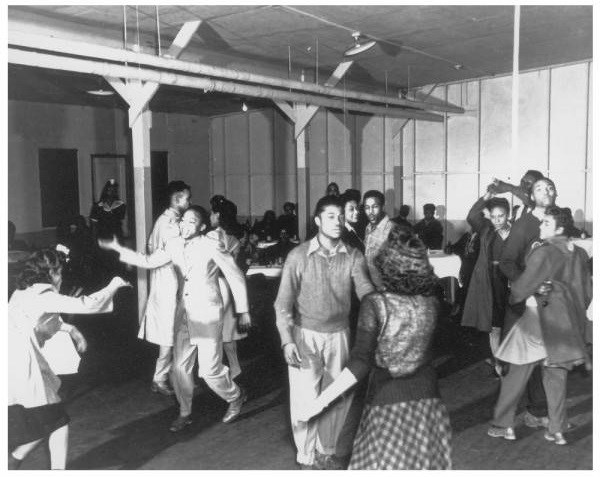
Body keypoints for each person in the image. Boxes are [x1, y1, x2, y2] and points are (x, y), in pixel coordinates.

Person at [297, 227, 452, 469]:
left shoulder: (376, 304)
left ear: (387, 267)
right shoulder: (432, 303)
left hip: (388, 401)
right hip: (429, 402)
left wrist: (319, 403)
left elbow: (360, 363)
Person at [100, 206, 251, 431]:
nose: (184, 225)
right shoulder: (173, 244)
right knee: (179, 368)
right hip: (183, 312)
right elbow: (149, 261)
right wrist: (118, 248)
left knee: (209, 371)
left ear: (201, 227)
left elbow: (235, 275)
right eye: (183, 221)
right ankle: (184, 412)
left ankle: (235, 396)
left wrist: (244, 310)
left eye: (191, 222)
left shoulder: (211, 245)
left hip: (207, 313)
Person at [274, 195, 374, 470]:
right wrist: (286, 341)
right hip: (304, 335)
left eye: (341, 216)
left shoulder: (353, 255)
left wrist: (379, 308)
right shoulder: (297, 256)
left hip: (340, 335)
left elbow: (365, 291)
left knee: (337, 396)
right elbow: (282, 304)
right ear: (317, 220)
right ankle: (306, 457)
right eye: (330, 216)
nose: (337, 221)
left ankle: (325, 450)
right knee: (305, 399)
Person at [8, 247, 129, 470]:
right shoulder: (45, 294)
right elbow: (87, 304)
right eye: (60, 271)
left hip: (11, 363)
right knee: (56, 422)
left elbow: (42, 322)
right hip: (24, 367)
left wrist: (71, 329)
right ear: (52, 272)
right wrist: (114, 285)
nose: (61, 276)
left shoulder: (22, 291)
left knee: (46, 420)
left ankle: (13, 460)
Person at [489, 206, 592, 444]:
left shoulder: (544, 252)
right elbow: (586, 294)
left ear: (559, 228)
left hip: (538, 319)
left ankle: (505, 425)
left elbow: (520, 288)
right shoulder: (579, 253)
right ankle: (556, 429)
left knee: (515, 374)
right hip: (566, 325)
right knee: (556, 376)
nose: (540, 226)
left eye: (545, 223)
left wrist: (518, 295)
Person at [498, 177, 557, 428]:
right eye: (540, 188)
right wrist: (529, 285)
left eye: (550, 187)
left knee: (549, 357)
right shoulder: (524, 225)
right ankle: (533, 412)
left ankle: (542, 411)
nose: (546, 191)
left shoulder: (558, 221)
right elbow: (507, 262)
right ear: (531, 196)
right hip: (527, 303)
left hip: (552, 302)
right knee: (526, 361)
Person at [142, 181, 191, 397]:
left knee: (174, 333)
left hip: (167, 281)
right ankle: (160, 378)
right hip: (168, 284)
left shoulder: (165, 221)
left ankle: (172, 375)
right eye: (187, 198)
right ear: (178, 198)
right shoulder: (168, 223)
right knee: (168, 334)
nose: (189, 202)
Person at [461, 191, 511, 376]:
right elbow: (471, 216)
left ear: (509, 215)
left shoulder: (516, 232)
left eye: (502, 216)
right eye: (494, 216)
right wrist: (485, 198)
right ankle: (499, 364)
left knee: (510, 325)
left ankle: (510, 361)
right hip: (490, 283)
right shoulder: (485, 229)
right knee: (494, 327)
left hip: (510, 284)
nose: (498, 220)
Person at [209, 197, 251, 381]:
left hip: (215, 285)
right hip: (231, 286)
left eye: (212, 213)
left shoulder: (212, 236)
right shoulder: (234, 237)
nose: (210, 216)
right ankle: (235, 367)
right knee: (227, 333)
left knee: (211, 333)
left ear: (217, 215)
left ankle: (214, 372)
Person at [363, 190, 397, 290]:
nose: (370, 212)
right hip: (371, 287)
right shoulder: (368, 227)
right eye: (367, 208)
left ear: (382, 207)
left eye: (375, 207)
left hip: (387, 289)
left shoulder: (392, 229)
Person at [340, 189, 364, 253]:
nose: (356, 212)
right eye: (351, 209)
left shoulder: (355, 228)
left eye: (357, 208)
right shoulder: (342, 233)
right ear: (342, 211)